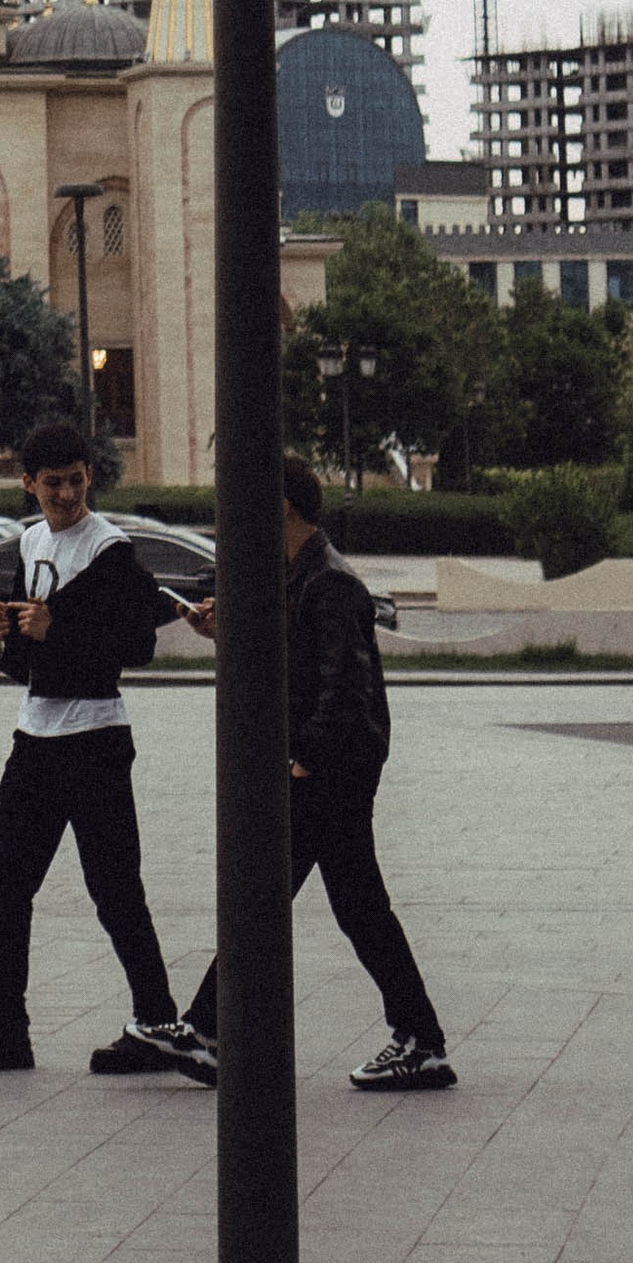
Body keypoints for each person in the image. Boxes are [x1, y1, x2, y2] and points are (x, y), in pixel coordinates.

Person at [0, 423, 208, 1079]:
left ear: (90, 477)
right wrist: (10, 636)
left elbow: (134, 646)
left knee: (114, 890)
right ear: (28, 484)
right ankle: (7, 1028)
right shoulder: (30, 541)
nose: (65, 493)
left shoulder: (110, 550)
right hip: (35, 735)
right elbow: (24, 667)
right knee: (7, 887)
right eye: (52, 482)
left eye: (76, 479)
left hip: (94, 737)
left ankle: (155, 1022)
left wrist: (57, 628)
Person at [179, 459, 453, 1092]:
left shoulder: (330, 584)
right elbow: (293, 665)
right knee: (352, 904)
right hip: (329, 765)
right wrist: (225, 634)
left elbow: (344, 688)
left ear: (278, 507)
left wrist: (307, 759)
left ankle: (209, 1029)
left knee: (265, 893)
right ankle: (421, 1039)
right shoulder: (300, 576)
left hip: (330, 768)